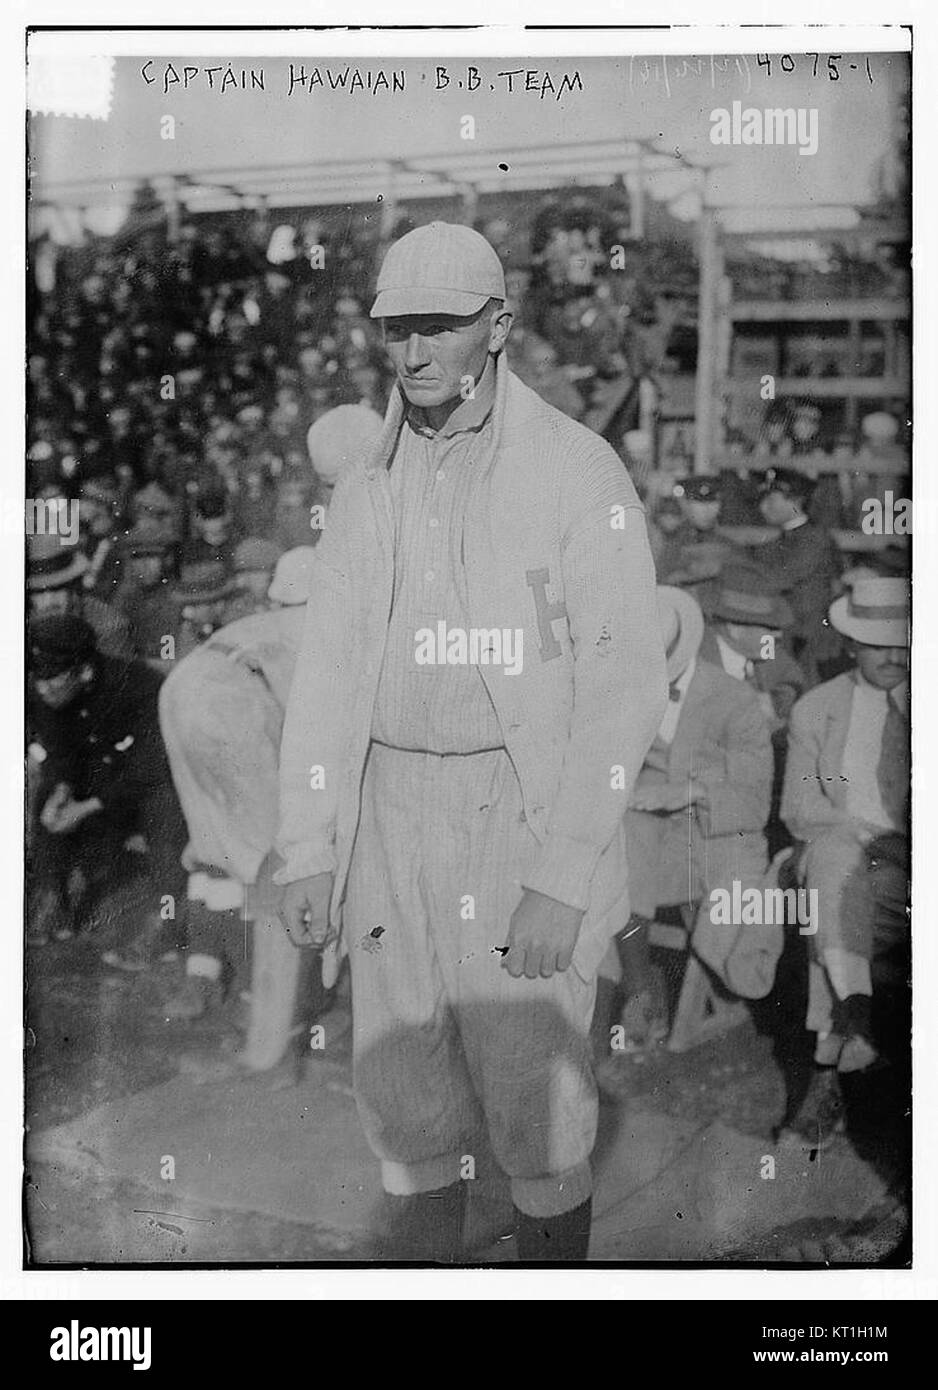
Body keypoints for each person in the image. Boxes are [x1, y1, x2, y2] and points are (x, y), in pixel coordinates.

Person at [276, 220, 667, 1262]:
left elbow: (622, 689)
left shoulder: (576, 471)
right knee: (404, 1102)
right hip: (390, 803)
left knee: (534, 1102)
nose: (411, 354)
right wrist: (310, 842)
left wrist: (565, 867)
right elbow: (323, 678)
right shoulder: (367, 482)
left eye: (438, 327)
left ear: (497, 325)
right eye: (395, 328)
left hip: (515, 805)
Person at [600, 587, 777, 1057]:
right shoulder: (619, 696)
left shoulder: (734, 700)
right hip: (644, 836)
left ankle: (638, 988)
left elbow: (754, 799)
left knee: (626, 843)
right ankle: (639, 984)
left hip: (709, 835)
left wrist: (689, 791)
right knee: (622, 830)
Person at [779, 577, 909, 1142]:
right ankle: (852, 1033)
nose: (894, 655)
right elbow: (799, 806)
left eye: (905, 642)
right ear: (853, 644)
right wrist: (853, 828)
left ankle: (827, 1067)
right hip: (844, 844)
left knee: (829, 905)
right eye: (879, 643)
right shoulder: (819, 709)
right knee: (832, 875)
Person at [27, 615, 185, 946]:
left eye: (52, 681)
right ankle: (52, 896)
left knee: (163, 806)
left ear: (84, 672)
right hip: (100, 783)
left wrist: (85, 808)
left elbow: (150, 766)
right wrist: (62, 790)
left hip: (146, 784)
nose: (42, 690)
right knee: (46, 797)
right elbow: (61, 752)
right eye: (37, 680)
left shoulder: (139, 685)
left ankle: (166, 917)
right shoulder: (48, 690)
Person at [749, 466, 841, 685]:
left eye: (771, 500)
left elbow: (779, 578)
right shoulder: (776, 543)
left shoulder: (814, 540)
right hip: (787, 634)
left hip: (809, 639)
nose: (764, 507)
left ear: (796, 500)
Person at [28, 531, 136, 663]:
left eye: (57, 590)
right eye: (39, 592)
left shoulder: (109, 627)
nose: (49, 601)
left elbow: (113, 679)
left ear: (73, 588)